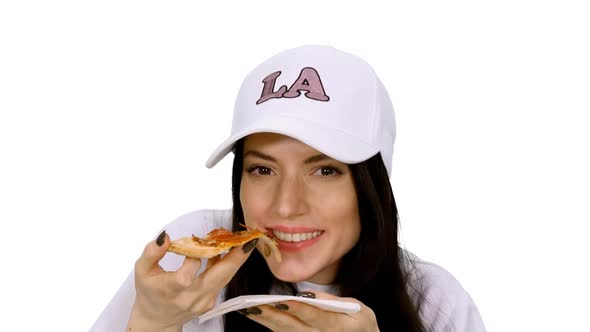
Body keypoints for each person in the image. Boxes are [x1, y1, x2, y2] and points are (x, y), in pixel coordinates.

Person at [91, 45, 486, 331]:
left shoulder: (435, 302)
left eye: (325, 171)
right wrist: (152, 323)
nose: (285, 207)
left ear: (373, 186)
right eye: (262, 169)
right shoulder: (190, 267)